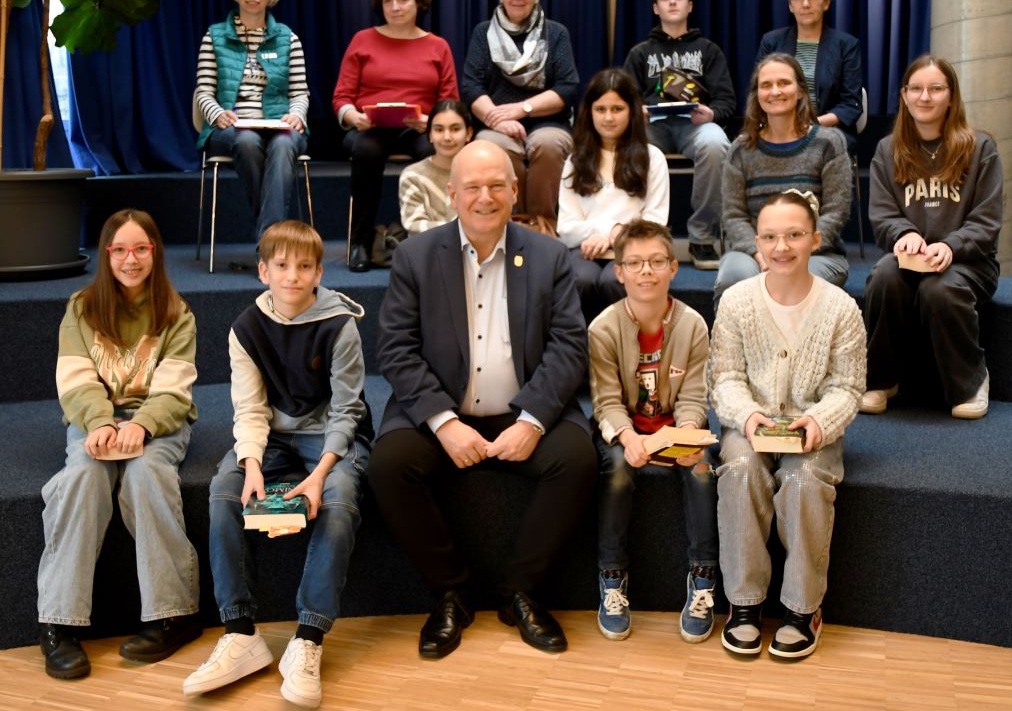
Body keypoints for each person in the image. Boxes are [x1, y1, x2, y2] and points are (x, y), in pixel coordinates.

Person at [368, 140, 597, 659]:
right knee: (388, 465)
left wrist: (534, 420)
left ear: (515, 191)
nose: (485, 197)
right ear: (452, 194)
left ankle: (520, 592)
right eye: (472, 186)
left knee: (579, 459)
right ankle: (451, 593)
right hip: (442, 413)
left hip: (524, 412)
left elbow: (568, 345)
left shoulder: (548, 255)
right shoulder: (416, 256)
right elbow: (396, 350)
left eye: (497, 185)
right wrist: (444, 423)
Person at [183, 221, 373, 708]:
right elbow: (249, 407)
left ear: (318, 271)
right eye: (282, 266)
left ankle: (308, 639)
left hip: (329, 433)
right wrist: (250, 465)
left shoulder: (340, 324)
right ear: (263, 270)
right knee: (225, 490)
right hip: (272, 433)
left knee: (341, 498)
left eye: (304, 266)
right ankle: (240, 632)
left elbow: (349, 408)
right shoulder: (246, 328)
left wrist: (318, 474)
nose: (293, 276)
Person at [38, 209, 201, 679]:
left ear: (155, 252)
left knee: (148, 476)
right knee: (84, 478)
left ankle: (174, 614)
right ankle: (57, 622)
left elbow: (175, 388)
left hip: (158, 423)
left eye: (141, 249)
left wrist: (144, 425)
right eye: (120, 250)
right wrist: (100, 422)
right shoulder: (82, 307)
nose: (131, 259)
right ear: (107, 255)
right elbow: (74, 379)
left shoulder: (177, 312)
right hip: (95, 421)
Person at [709, 190, 866, 659]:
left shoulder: (841, 309)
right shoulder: (736, 302)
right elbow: (726, 379)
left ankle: (802, 608)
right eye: (771, 237)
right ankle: (744, 603)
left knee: (801, 480)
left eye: (795, 235)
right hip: (751, 423)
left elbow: (848, 387)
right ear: (756, 243)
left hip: (812, 429)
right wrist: (747, 416)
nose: (783, 246)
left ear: (814, 239)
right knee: (739, 470)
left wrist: (818, 422)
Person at [588, 219, 718, 643]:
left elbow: (695, 396)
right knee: (618, 472)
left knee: (701, 471)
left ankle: (702, 578)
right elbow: (605, 402)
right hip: (625, 432)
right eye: (636, 263)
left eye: (657, 261)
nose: (647, 271)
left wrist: (686, 435)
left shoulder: (693, 325)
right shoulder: (603, 329)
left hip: (676, 428)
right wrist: (630, 440)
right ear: (619, 271)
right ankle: (612, 578)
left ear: (673, 268)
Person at [861, 56, 1002, 419]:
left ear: (951, 97)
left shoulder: (980, 147)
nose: (926, 97)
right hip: (910, 260)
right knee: (882, 277)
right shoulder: (887, 149)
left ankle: (969, 382)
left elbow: (986, 221)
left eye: (936, 88)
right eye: (916, 89)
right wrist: (904, 233)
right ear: (905, 96)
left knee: (938, 289)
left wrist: (950, 245)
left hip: (970, 263)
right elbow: (882, 215)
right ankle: (881, 378)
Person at [333, 0, 459, 271]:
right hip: (370, 127)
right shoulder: (362, 40)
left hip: (419, 128)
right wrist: (354, 116)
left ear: (418, 3)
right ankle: (361, 243)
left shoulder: (437, 45)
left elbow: (450, 101)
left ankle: (438, 240)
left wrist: (430, 121)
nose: (395, 7)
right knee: (365, 150)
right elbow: (342, 98)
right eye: (388, 1)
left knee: (435, 150)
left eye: (403, 0)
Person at [716, 53, 851, 308]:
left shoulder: (829, 143)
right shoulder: (741, 150)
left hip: (815, 252)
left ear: (800, 90)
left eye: (784, 83)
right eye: (766, 85)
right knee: (734, 279)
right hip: (756, 252)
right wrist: (763, 253)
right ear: (757, 94)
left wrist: (793, 251)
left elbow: (835, 213)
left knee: (794, 281)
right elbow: (734, 216)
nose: (775, 91)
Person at [623, 0, 736, 271]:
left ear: (690, 6)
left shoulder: (709, 50)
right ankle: (641, 234)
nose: (672, 2)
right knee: (630, 145)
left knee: (716, 143)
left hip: (695, 125)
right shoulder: (640, 53)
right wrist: (638, 111)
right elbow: (623, 101)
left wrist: (711, 114)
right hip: (653, 127)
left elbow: (727, 102)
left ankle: (701, 236)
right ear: (655, 8)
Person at [195, 0, 309, 243]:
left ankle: (267, 240)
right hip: (231, 126)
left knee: (284, 144)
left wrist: (297, 115)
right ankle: (273, 238)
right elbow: (204, 91)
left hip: (279, 126)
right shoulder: (214, 36)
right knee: (246, 141)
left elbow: (299, 92)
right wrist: (217, 114)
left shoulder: (288, 38)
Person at [462, 0, 579, 220]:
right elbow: (471, 86)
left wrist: (521, 110)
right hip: (495, 125)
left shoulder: (556, 33)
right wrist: (496, 120)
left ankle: (542, 225)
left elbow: (568, 88)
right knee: (498, 147)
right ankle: (513, 224)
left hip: (549, 122)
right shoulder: (482, 33)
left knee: (548, 145)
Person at [557, 69, 669, 320]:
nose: (608, 117)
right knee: (582, 279)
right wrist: (611, 231)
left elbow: (656, 221)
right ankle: (579, 352)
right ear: (589, 112)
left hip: (635, 248)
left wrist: (619, 237)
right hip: (585, 249)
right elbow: (566, 227)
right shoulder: (575, 161)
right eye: (601, 109)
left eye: (617, 109)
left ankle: (626, 351)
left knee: (614, 280)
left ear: (632, 111)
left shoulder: (653, 158)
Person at [756, 0, 863, 151]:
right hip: (778, 128)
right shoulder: (771, 42)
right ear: (790, 5)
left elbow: (850, 104)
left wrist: (811, 125)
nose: (806, 4)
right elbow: (758, 91)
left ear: (826, 2)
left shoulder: (846, 45)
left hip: (828, 129)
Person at [398, 99, 473, 234]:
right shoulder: (413, 175)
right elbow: (414, 224)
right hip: (426, 251)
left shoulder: (482, 173)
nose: (447, 137)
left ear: (468, 133)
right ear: (430, 135)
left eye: (455, 129)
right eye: (439, 130)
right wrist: (466, 230)